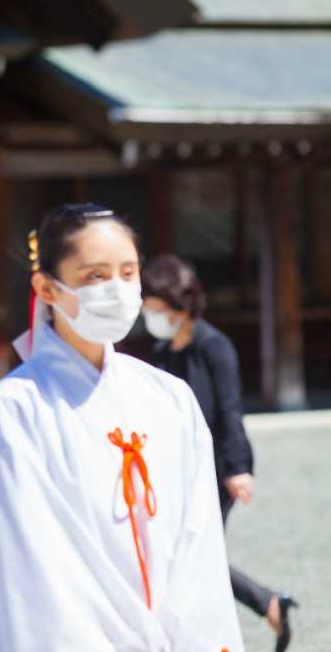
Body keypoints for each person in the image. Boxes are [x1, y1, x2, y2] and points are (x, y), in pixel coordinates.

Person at [0, 204, 244, 651]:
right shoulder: (18, 407)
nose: (117, 289)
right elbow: (26, 560)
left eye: (128, 273)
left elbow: (200, 540)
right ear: (47, 288)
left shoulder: (169, 398)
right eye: (95, 276)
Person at [142, 254, 298, 652]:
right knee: (185, 555)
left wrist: (238, 468)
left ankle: (252, 612)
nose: (147, 311)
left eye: (153, 303)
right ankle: (270, 604)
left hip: (214, 469)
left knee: (195, 553)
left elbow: (230, 409)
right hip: (174, 471)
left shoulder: (213, 346)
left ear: (177, 302)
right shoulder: (162, 352)